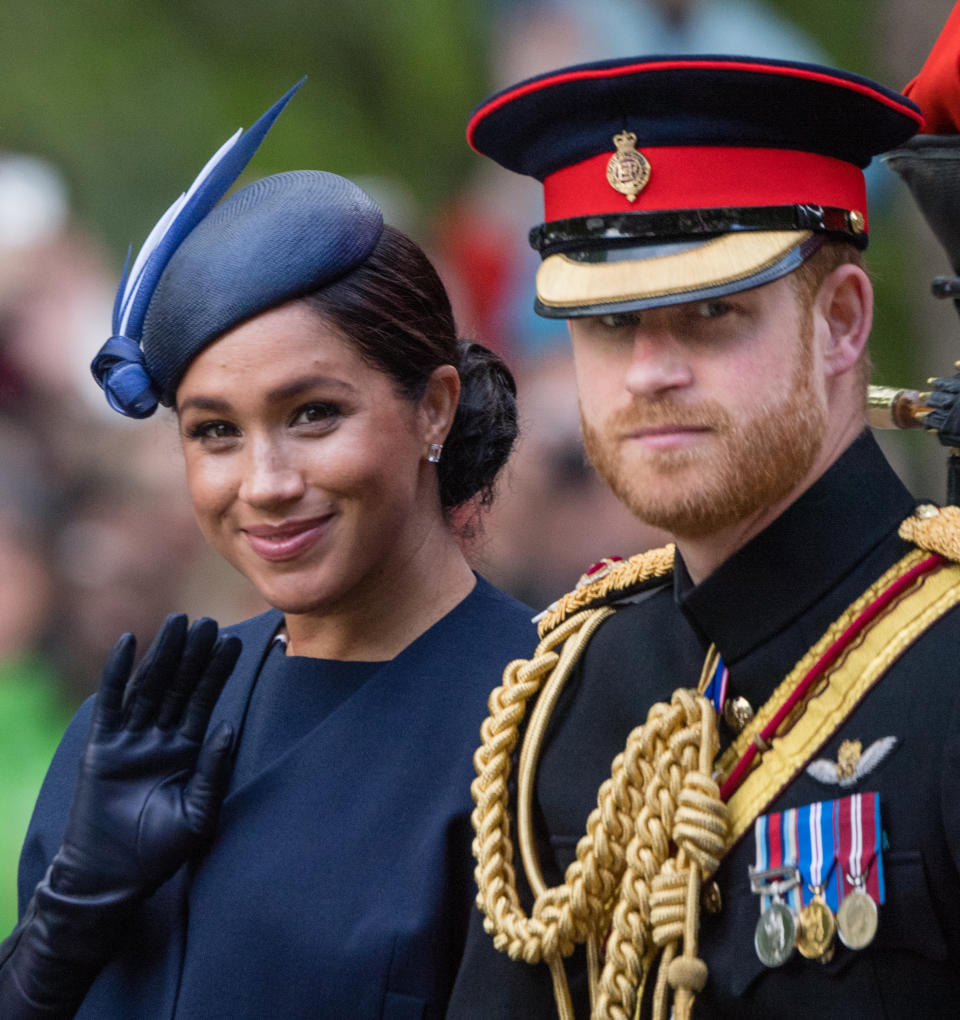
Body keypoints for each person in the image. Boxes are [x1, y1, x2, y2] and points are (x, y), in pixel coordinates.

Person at [446, 30, 960, 1020]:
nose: (649, 371)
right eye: (607, 324)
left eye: (712, 314)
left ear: (845, 323)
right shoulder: (568, 688)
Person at [0, 82, 535, 1019]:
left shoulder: (537, 723)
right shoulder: (136, 730)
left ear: (434, 409)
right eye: (215, 432)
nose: (266, 480)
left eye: (314, 414)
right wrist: (62, 928)